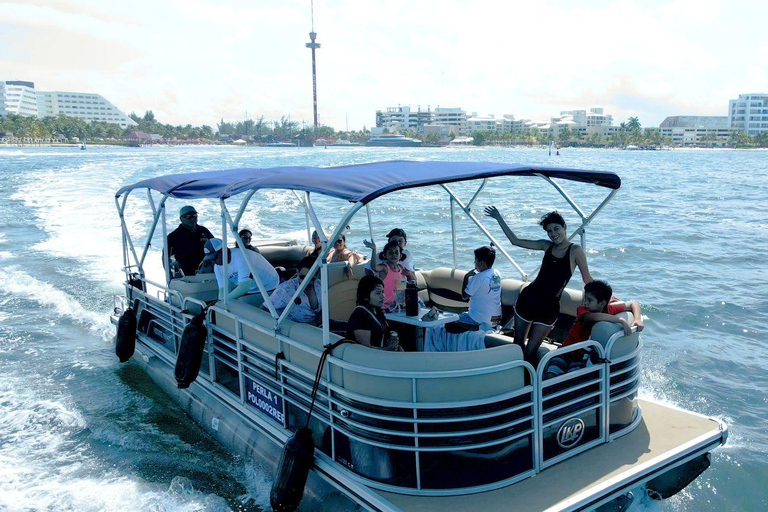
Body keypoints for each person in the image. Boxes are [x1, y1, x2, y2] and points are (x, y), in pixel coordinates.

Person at [484, 207, 593, 364]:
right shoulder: (546, 246)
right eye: (549, 231)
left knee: (530, 352)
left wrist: (605, 298)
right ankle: (517, 381)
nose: (553, 233)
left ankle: (531, 385)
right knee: (518, 345)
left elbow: (587, 279)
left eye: (556, 229)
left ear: (564, 228)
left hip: (549, 308)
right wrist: (498, 217)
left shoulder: (575, 250)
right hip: (528, 300)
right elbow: (515, 241)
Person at [544, 280, 643, 379]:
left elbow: (633, 304)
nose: (585, 303)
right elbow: (594, 317)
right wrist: (620, 320)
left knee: (573, 379)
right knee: (551, 373)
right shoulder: (582, 310)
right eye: (585, 299)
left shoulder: (609, 309)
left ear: (602, 303)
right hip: (565, 352)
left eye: (589, 300)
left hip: (582, 357)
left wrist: (638, 319)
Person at [207, 238, 279, 301]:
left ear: (224, 251)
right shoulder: (217, 267)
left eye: (215, 257)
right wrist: (220, 301)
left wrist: (224, 300)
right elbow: (223, 289)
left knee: (240, 305)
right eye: (211, 259)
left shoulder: (242, 257)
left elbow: (244, 287)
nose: (213, 261)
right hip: (250, 289)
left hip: (269, 286)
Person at [453, 246, 502, 332]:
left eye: (475, 260)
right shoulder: (497, 273)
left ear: (481, 263)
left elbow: (465, 296)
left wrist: (466, 277)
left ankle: (478, 327)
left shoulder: (478, 278)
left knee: (451, 322)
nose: (474, 263)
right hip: (496, 320)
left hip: (479, 319)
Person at [346, 275, 400, 350]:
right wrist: (388, 349)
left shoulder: (377, 311)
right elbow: (365, 349)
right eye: (378, 293)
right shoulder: (361, 315)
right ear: (366, 296)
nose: (382, 296)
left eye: (383, 292)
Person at [363, 239, 416, 311]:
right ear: (385, 255)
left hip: (399, 305)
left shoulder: (401, 268)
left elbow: (413, 281)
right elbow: (374, 267)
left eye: (396, 253)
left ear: (400, 255)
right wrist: (374, 250)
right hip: (385, 306)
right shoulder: (384, 268)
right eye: (390, 253)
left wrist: (409, 274)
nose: (394, 255)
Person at [265, 257, 321, 324]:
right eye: (303, 277)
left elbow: (325, 311)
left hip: (317, 327)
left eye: (311, 279)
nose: (307, 282)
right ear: (297, 272)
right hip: (291, 328)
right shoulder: (286, 289)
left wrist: (316, 323)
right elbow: (264, 309)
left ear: (317, 274)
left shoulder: (320, 285)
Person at [166, 205, 214, 277]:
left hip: (206, 270)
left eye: (194, 215)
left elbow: (215, 246)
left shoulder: (204, 231)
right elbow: (165, 258)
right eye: (188, 216)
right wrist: (169, 276)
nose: (192, 219)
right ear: (181, 219)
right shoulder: (174, 236)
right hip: (186, 274)